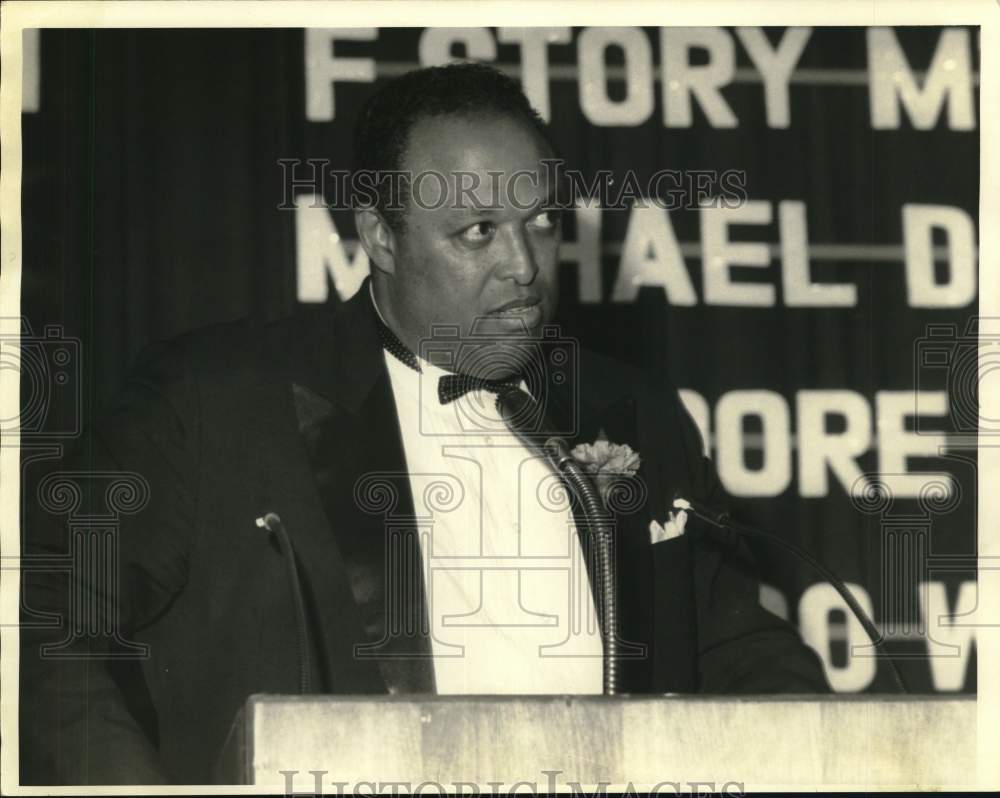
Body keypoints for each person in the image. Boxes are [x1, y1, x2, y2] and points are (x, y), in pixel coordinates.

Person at [21, 62, 828, 786]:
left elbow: (739, 654)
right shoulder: (213, 401)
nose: (524, 265)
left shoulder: (635, 410)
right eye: (478, 231)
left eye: (542, 222)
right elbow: (47, 628)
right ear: (380, 236)